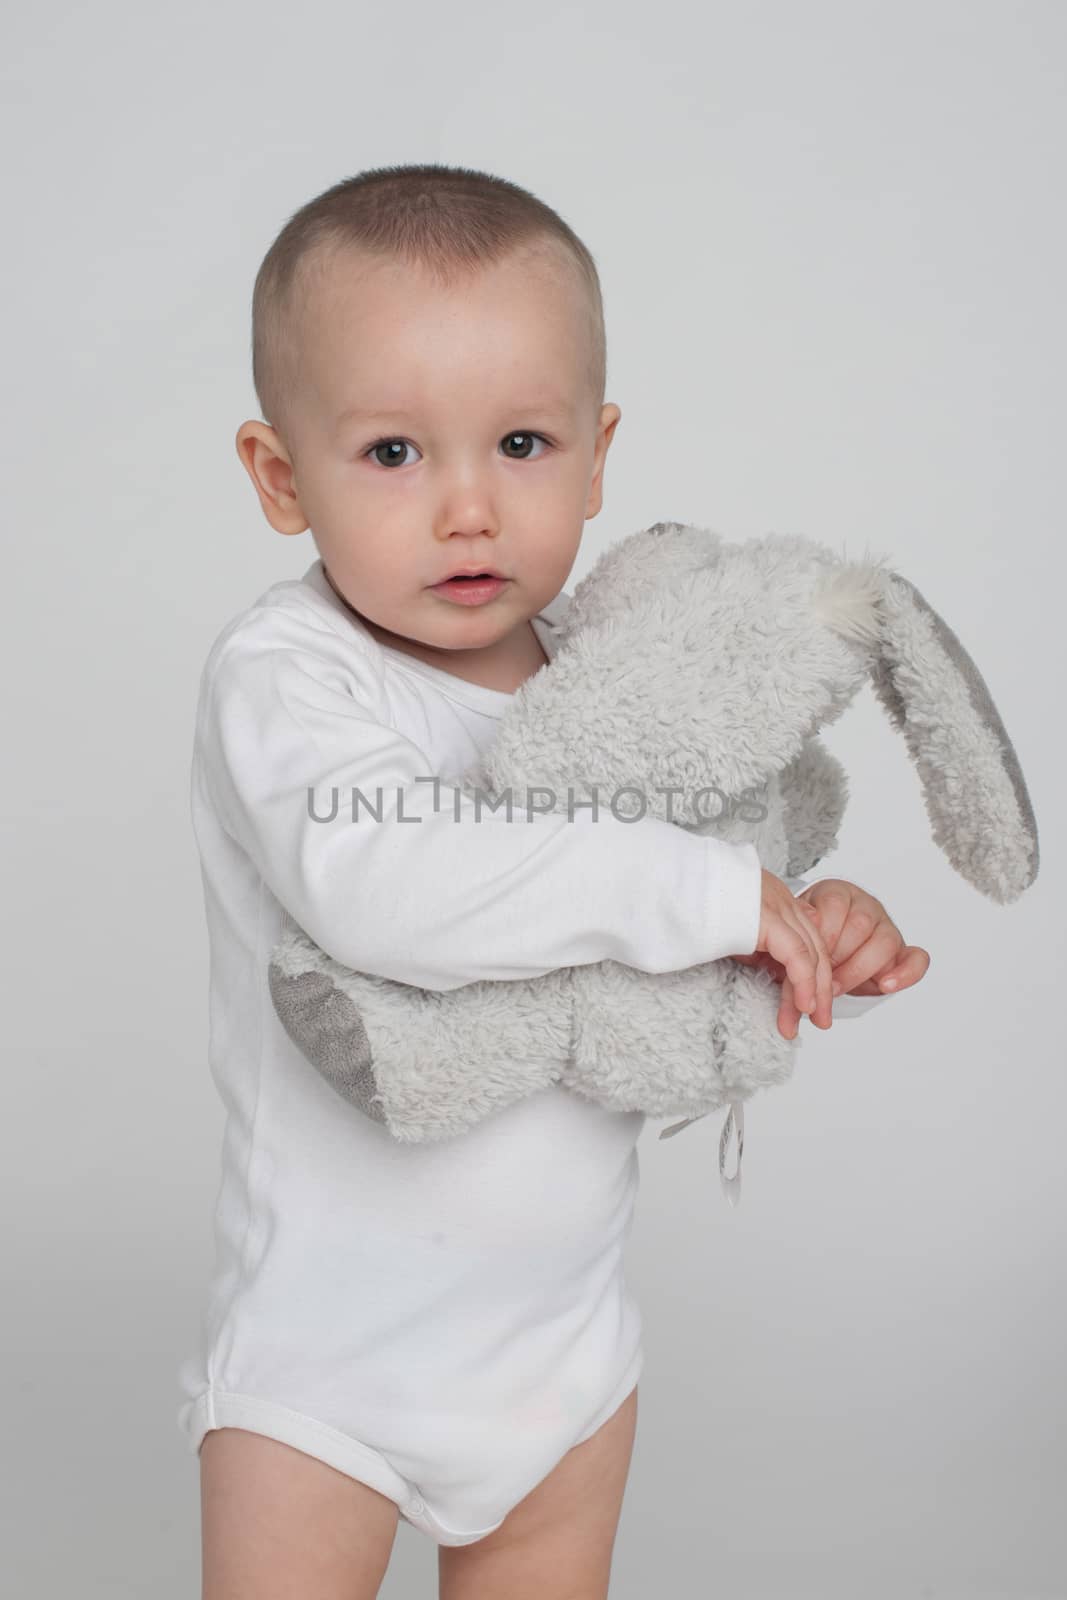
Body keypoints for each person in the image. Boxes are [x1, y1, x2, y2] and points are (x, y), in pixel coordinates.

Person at [180, 163, 930, 1600]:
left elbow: (657, 958)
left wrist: (799, 932)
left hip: (561, 1369)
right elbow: (387, 888)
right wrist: (699, 890)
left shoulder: (604, 691)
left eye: (521, 442)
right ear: (283, 477)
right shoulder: (292, 681)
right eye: (394, 454)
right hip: (323, 1378)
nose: (468, 509)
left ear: (597, 456)